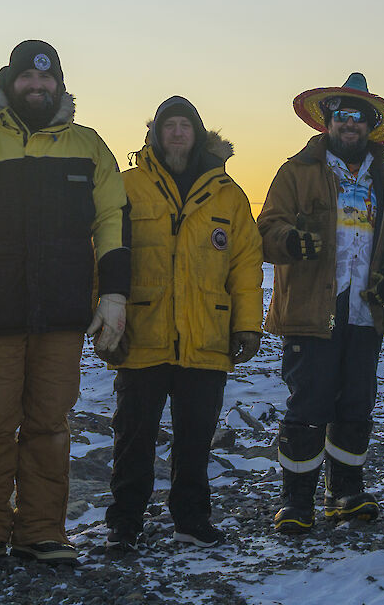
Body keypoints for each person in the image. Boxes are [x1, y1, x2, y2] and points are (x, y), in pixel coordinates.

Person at [0, 37, 130, 566]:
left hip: (63, 314)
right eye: (27, 79)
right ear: (9, 83)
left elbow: (113, 221)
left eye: (47, 80)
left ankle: (43, 531)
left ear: (59, 86)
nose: (37, 87)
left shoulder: (88, 147)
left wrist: (113, 295)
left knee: (49, 424)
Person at [99, 97, 264, 555]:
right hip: (143, 336)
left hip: (206, 338)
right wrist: (106, 318)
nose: (176, 134)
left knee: (195, 439)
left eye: (184, 126)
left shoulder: (228, 194)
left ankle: (191, 519)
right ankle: (124, 523)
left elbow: (246, 264)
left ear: (198, 134)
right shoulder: (128, 187)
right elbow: (105, 250)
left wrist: (247, 325)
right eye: (168, 126)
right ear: (155, 135)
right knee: (133, 438)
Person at [259, 73, 384, 534]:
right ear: (327, 122)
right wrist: (291, 241)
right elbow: (266, 229)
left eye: (359, 118)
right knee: (308, 405)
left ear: (370, 127)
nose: (349, 125)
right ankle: (296, 500)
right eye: (341, 116)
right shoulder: (295, 172)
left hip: (366, 306)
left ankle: (346, 492)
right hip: (310, 306)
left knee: (356, 404)